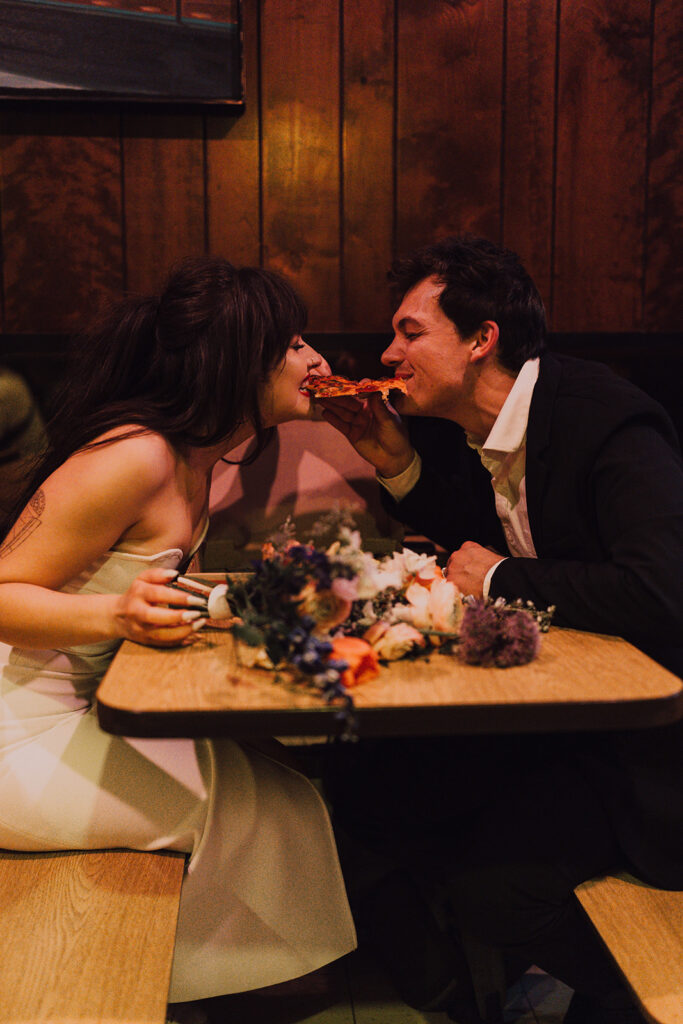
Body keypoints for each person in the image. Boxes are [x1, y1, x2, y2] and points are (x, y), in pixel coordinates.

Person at [319, 236, 683, 1024]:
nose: (388, 351)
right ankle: (490, 981)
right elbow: (497, 533)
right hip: (569, 713)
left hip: (649, 740)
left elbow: (661, 590)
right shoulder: (485, 430)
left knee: (493, 889)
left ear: (480, 338)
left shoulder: (603, 418)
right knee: (374, 788)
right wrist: (392, 462)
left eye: (410, 332)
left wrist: (493, 581)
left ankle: (631, 987)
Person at [0, 257, 356, 1016]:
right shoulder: (137, 455)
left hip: (80, 713)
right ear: (238, 358)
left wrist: (267, 597)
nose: (317, 360)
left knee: (283, 787)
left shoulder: (194, 460)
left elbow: (150, 594)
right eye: (293, 344)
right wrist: (113, 619)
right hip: (14, 736)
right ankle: (163, 990)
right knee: (255, 807)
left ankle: (220, 986)